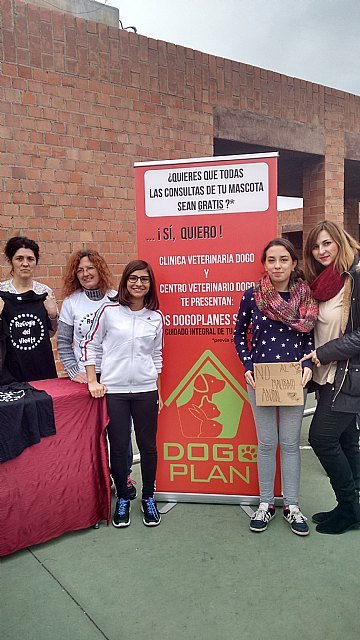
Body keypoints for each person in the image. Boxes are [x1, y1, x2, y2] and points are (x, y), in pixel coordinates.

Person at [234, 238, 318, 536]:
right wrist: (247, 366)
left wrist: (308, 365)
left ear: (293, 263)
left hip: (294, 380)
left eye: (283, 259)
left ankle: (292, 505)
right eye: (271, 260)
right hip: (262, 381)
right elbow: (238, 335)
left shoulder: (306, 297)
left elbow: (309, 337)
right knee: (267, 444)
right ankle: (266, 503)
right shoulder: (252, 296)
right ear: (264, 264)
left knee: (291, 444)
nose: (277, 265)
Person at [81, 259, 163, 528]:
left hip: (146, 391)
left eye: (144, 279)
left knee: (148, 447)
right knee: (118, 447)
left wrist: (158, 392)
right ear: (125, 281)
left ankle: (149, 497)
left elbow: (157, 356)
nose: (139, 283)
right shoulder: (109, 311)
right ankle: (125, 498)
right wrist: (94, 380)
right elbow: (90, 346)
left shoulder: (155, 317)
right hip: (114, 391)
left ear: (150, 285)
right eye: (133, 278)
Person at [58, 249, 136, 500]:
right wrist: (74, 372)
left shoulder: (116, 299)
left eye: (90, 268)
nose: (85, 273)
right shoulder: (71, 303)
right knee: (92, 435)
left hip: (115, 376)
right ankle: (99, 481)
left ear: (99, 269)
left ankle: (123, 475)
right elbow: (63, 344)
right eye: (80, 270)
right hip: (86, 378)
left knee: (120, 431)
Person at [301, 220, 360, 534]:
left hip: (347, 376)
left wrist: (325, 353)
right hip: (326, 376)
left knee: (321, 438)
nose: (321, 250)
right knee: (347, 440)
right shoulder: (324, 283)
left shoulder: (356, 276)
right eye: (316, 245)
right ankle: (351, 507)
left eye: (327, 243)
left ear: (339, 241)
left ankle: (349, 508)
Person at [0, 236, 58, 381]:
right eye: (19, 258)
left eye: (30, 259)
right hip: (9, 370)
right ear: (11, 261)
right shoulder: (1, 292)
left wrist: (52, 315)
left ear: (36, 262)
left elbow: (51, 332)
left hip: (40, 366)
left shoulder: (45, 292)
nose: (25, 263)